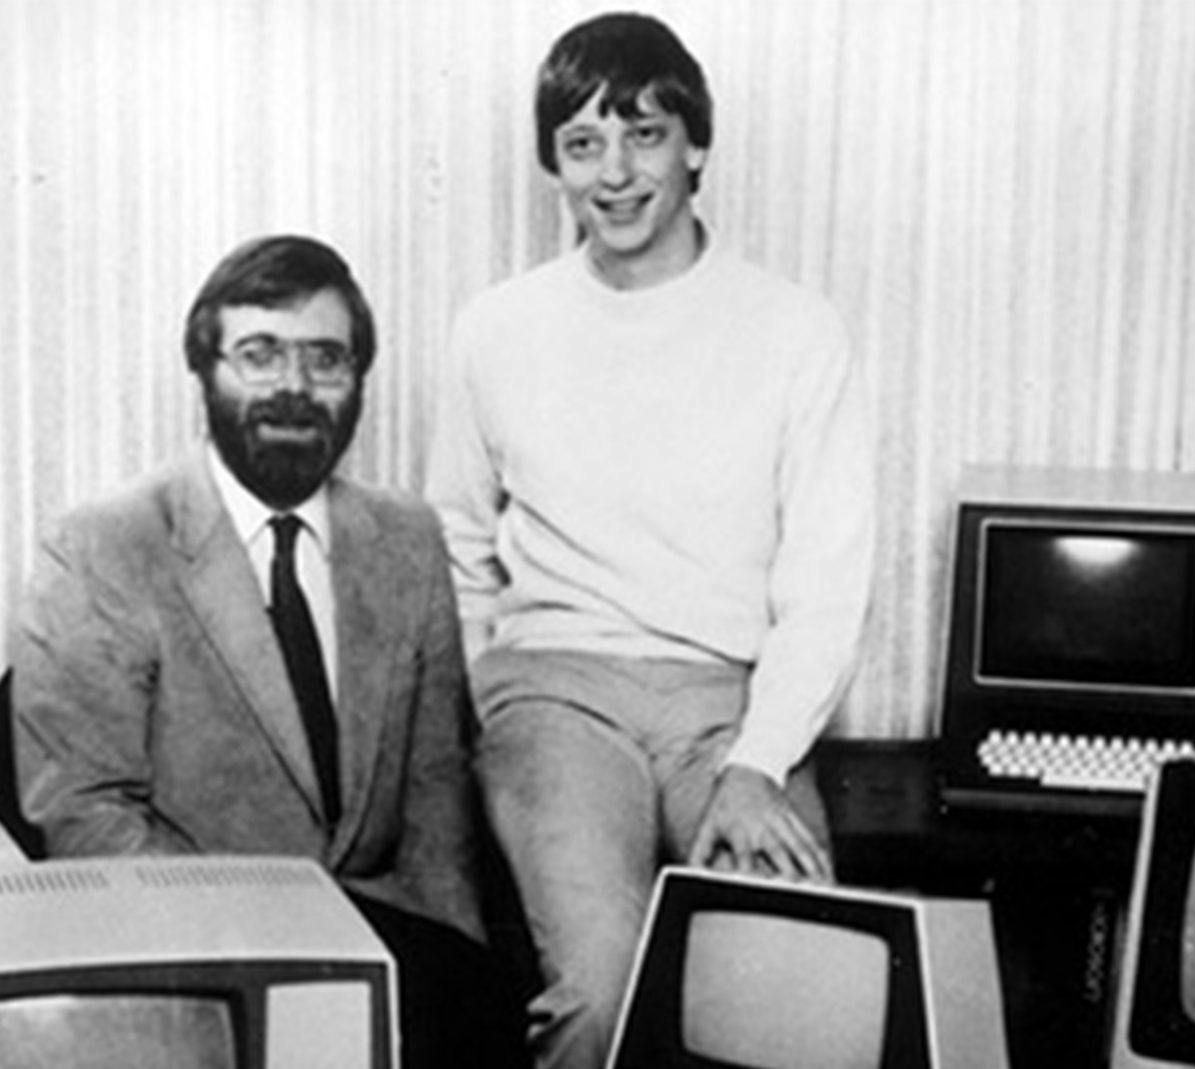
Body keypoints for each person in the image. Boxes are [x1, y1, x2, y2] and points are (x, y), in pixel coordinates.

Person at [424, 13, 876, 1069]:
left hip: (729, 707)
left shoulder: (796, 331)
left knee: (796, 978)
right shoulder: (497, 328)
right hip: (556, 695)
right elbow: (454, 539)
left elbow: (827, 583)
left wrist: (758, 763)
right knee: (605, 986)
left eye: (645, 135)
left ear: (696, 147)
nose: (616, 174)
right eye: (583, 144)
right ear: (554, 166)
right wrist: (493, 695)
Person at [12, 234, 525, 1069]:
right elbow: (86, 815)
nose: (295, 386)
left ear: (358, 381)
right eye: (260, 355)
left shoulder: (408, 538)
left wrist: (452, 974)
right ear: (205, 371)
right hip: (200, 957)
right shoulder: (103, 544)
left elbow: (435, 803)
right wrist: (264, 964)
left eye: (325, 359)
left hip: (385, 952)